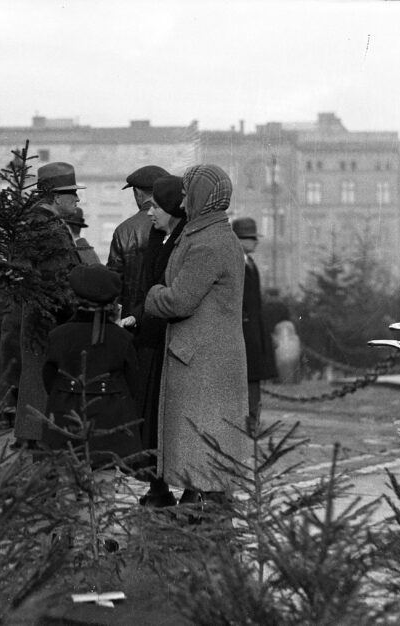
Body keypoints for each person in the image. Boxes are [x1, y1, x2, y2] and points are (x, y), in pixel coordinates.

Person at [144, 164, 248, 504]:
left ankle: (207, 532)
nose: (184, 201)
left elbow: (179, 300)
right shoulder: (206, 235)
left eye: (189, 193)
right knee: (203, 460)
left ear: (202, 197)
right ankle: (203, 524)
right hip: (203, 360)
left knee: (205, 460)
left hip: (205, 366)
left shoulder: (209, 243)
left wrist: (152, 294)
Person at [124, 174, 187, 507]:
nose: (149, 213)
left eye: (157, 207)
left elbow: (171, 291)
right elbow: (151, 286)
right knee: (151, 420)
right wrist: (135, 315)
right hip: (151, 336)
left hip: (172, 341)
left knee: (174, 420)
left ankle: (187, 489)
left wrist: (140, 311)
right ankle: (157, 486)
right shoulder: (156, 236)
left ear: (174, 208)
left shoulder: (186, 239)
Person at [41, 264, 142, 467]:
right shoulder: (122, 338)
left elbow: (48, 378)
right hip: (110, 424)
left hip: (65, 419)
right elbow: (133, 382)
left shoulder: (58, 336)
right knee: (105, 484)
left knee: (68, 483)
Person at [14, 161, 83, 444]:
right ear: (56, 197)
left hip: (38, 317)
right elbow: (58, 279)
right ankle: (40, 447)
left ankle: (36, 441)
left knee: (35, 382)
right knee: (40, 385)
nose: (77, 199)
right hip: (48, 320)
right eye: (72, 193)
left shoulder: (37, 222)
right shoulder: (48, 226)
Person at [232, 217, 278, 434]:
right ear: (239, 240)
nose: (255, 242)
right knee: (247, 380)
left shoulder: (250, 264)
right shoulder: (236, 264)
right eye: (250, 238)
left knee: (253, 380)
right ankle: (248, 424)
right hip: (243, 333)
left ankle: (252, 422)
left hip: (253, 333)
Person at [107, 165, 169, 321]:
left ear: (138, 193)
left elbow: (113, 281)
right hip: (166, 318)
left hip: (130, 320)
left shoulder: (124, 229)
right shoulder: (174, 224)